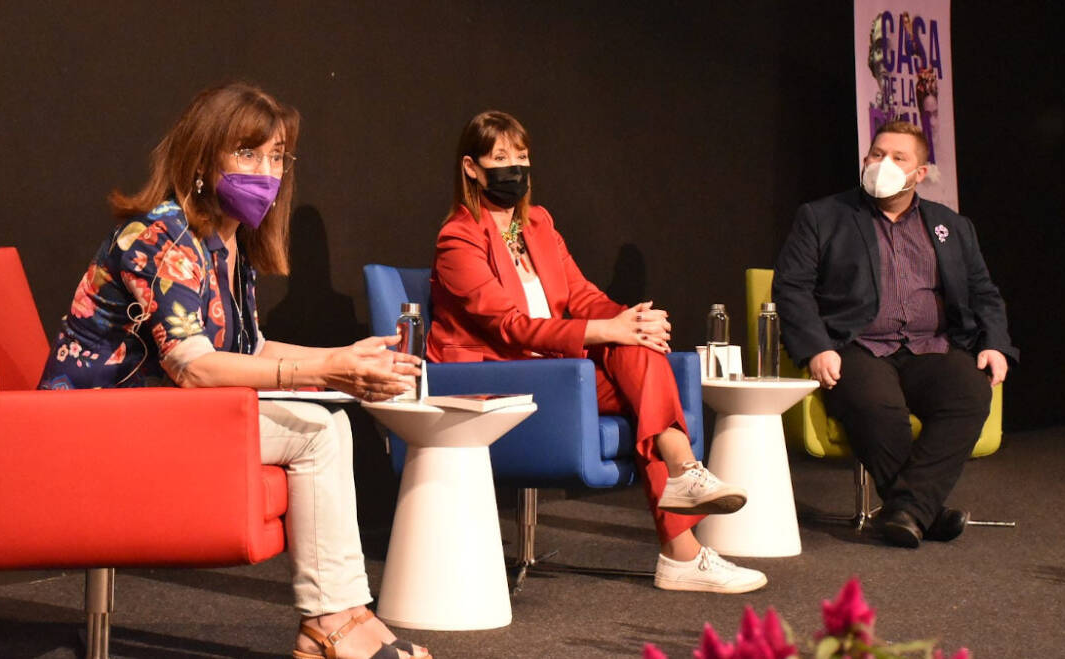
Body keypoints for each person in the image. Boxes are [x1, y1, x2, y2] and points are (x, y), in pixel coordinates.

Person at [38, 82, 430, 659]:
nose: (266, 172)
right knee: (317, 431)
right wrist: (328, 368)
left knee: (324, 424)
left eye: (276, 157)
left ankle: (346, 615)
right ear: (202, 159)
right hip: (97, 424)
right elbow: (194, 368)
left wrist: (348, 359)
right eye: (247, 153)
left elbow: (252, 345)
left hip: (157, 413)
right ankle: (331, 623)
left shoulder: (228, 243)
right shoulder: (160, 234)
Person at [427, 110, 766, 593]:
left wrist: (631, 321)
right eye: (500, 158)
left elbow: (582, 295)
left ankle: (681, 493)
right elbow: (510, 326)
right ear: (471, 167)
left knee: (640, 353)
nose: (515, 168)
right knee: (627, 351)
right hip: (496, 375)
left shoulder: (538, 224)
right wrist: (609, 329)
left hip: (556, 371)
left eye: (521, 157)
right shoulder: (458, 237)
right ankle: (682, 523)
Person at [772, 120, 1018, 548]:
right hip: (857, 346)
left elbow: (984, 292)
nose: (882, 163)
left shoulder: (952, 226)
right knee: (874, 405)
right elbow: (791, 288)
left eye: (898, 158)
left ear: (919, 174)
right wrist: (816, 348)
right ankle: (923, 510)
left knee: (971, 393)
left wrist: (996, 343)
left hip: (933, 347)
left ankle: (908, 509)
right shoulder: (823, 216)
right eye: (876, 154)